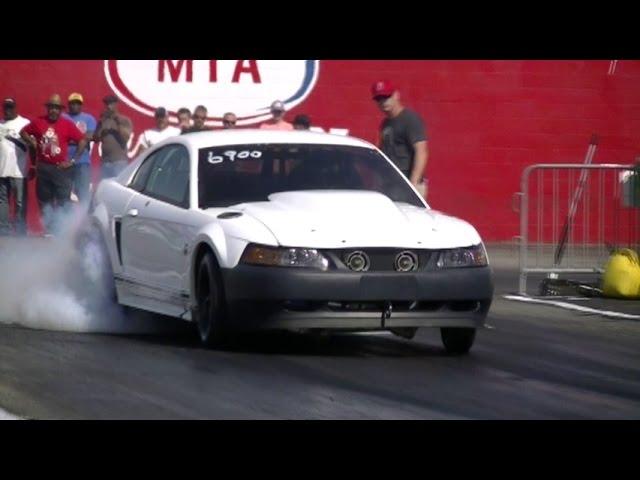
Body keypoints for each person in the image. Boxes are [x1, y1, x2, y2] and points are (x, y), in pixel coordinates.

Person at [19, 94, 87, 234]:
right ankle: (49, 230)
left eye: (56, 108)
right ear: (48, 108)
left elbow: (82, 140)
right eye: (51, 108)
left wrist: (72, 160)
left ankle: (63, 230)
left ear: (60, 110)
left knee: (63, 200)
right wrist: (31, 141)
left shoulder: (67, 124)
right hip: (43, 167)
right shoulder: (38, 122)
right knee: (44, 200)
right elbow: (23, 132)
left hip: (61, 169)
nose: (54, 111)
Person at [371, 80, 429, 198]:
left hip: (407, 183)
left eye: (387, 97)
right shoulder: (386, 123)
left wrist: (413, 184)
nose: (383, 102)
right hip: (392, 184)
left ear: (396, 95)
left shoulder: (409, 119)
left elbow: (421, 151)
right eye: (379, 99)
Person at [0, 97, 31, 235]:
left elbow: (32, 145)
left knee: (20, 202)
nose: (7, 110)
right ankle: (4, 230)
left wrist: (34, 165)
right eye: (5, 107)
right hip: (2, 170)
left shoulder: (25, 123)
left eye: (10, 107)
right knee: (3, 202)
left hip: (19, 171)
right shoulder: (0, 124)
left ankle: (19, 230)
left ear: (15, 108)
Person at [63, 92, 96, 206]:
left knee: (83, 194)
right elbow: (60, 136)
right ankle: (65, 220)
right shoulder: (63, 117)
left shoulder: (89, 119)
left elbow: (90, 136)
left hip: (82, 161)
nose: (75, 106)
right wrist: (80, 138)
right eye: (73, 103)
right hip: (64, 161)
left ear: (81, 105)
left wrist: (69, 139)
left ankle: (85, 220)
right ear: (68, 104)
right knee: (64, 193)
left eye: (78, 103)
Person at [94, 94, 133, 178]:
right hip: (105, 162)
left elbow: (126, 137)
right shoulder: (104, 120)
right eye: (106, 104)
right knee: (106, 188)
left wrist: (117, 121)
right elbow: (96, 139)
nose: (108, 106)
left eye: (110, 103)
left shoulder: (124, 120)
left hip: (119, 161)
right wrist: (100, 124)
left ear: (116, 104)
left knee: (118, 187)